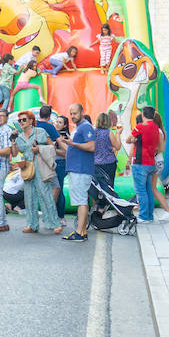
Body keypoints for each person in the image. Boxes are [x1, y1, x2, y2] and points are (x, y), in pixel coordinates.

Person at [14, 111, 61, 235]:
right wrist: (13, 141)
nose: (21, 122)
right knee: (29, 197)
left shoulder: (39, 131)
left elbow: (53, 148)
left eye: (24, 120)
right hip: (27, 167)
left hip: (39, 165)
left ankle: (55, 223)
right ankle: (32, 224)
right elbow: (14, 153)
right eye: (19, 120)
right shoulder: (19, 137)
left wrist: (39, 148)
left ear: (30, 120)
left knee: (46, 194)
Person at [59, 102, 97, 241]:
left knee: (81, 201)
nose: (73, 116)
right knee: (81, 200)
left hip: (81, 169)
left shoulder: (86, 127)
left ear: (81, 112)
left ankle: (80, 232)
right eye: (71, 114)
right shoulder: (79, 127)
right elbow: (72, 148)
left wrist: (73, 143)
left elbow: (92, 146)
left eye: (75, 113)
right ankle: (81, 231)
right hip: (77, 168)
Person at [126, 105, 161, 223]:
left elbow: (127, 139)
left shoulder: (140, 126)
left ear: (143, 115)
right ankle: (149, 215)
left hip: (140, 162)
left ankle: (144, 216)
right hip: (151, 162)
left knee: (141, 191)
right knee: (149, 190)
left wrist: (133, 140)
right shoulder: (156, 127)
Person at [93, 111, 120, 196]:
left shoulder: (93, 132)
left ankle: (97, 205)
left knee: (97, 187)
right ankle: (108, 204)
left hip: (96, 163)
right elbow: (118, 146)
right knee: (109, 186)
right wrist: (118, 134)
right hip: (109, 163)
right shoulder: (109, 133)